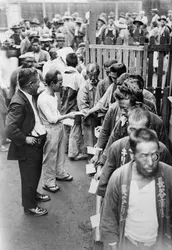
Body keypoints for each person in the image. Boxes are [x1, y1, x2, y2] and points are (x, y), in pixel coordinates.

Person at [100, 128, 172, 250]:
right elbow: (109, 216)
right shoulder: (119, 177)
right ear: (132, 155)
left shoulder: (168, 175)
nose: (150, 162)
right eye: (144, 156)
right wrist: (112, 245)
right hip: (128, 243)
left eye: (155, 155)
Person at [96, 108, 172, 197]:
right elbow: (103, 183)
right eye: (132, 129)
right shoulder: (117, 147)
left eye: (140, 130)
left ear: (148, 128)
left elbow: (168, 180)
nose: (135, 134)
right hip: (123, 196)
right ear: (127, 126)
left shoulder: (161, 149)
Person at [6, 68, 50, 216]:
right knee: (29, 176)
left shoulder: (28, 94)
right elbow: (10, 130)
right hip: (28, 147)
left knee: (34, 173)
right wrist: (25, 139)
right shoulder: (18, 102)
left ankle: (33, 195)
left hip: (35, 144)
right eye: (37, 81)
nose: (39, 84)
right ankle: (30, 205)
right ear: (31, 84)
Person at [37, 70, 75, 193]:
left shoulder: (54, 95)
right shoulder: (43, 99)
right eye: (59, 82)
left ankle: (59, 173)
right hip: (50, 129)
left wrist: (63, 118)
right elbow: (51, 119)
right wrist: (68, 115)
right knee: (50, 156)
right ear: (52, 83)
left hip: (59, 127)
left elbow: (56, 113)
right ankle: (48, 182)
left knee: (60, 152)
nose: (61, 85)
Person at [61, 53, 86, 160]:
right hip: (73, 106)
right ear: (76, 62)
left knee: (66, 128)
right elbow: (83, 90)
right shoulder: (77, 76)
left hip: (63, 105)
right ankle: (73, 153)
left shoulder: (62, 74)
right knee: (75, 129)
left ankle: (66, 149)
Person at [77, 63, 101, 148]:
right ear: (87, 74)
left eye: (95, 75)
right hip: (90, 121)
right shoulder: (84, 87)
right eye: (91, 75)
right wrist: (95, 111)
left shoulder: (101, 84)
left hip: (100, 120)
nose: (93, 78)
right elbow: (83, 108)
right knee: (90, 146)